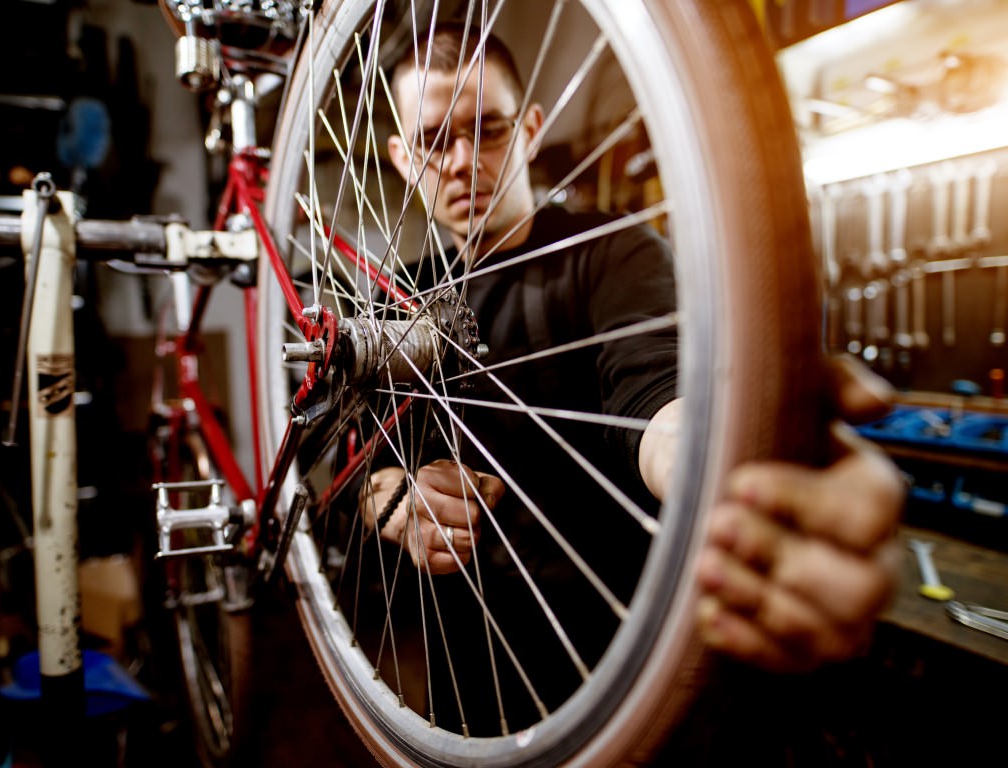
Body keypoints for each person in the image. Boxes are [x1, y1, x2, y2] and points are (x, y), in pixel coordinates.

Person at [361, 22, 904, 741]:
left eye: (486, 129)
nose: (462, 161)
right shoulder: (393, 297)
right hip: (465, 691)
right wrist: (394, 504)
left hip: (616, 674)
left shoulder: (613, 255)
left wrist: (732, 471)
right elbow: (365, 468)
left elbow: (659, 403)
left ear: (528, 130)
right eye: (434, 140)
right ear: (402, 158)